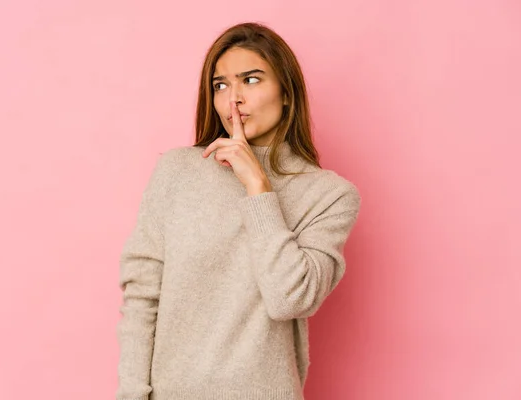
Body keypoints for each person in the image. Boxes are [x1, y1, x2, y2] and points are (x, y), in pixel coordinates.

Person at [116, 22, 362, 400]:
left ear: (286, 94)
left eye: (251, 80)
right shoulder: (178, 171)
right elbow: (142, 298)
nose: (234, 99)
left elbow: (290, 300)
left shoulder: (329, 195)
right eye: (220, 85)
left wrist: (258, 187)